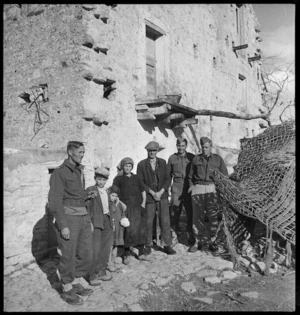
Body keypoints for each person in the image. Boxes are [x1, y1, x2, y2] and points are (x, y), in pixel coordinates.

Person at [48, 141, 94, 305]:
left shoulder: (78, 170)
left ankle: (75, 280)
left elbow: (75, 195)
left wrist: (87, 197)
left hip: (83, 217)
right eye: (80, 152)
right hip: (69, 219)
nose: (82, 155)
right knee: (68, 255)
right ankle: (67, 288)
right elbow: (55, 201)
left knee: (86, 252)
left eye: (83, 152)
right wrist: (63, 225)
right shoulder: (59, 173)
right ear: (70, 152)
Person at [188, 136, 228, 253]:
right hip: (199, 187)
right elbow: (190, 176)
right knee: (197, 216)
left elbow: (224, 175)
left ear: (211, 147)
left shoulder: (218, 159)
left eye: (206, 147)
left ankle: (212, 241)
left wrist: (220, 190)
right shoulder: (196, 159)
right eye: (203, 147)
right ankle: (197, 241)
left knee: (213, 216)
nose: (204, 149)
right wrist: (192, 187)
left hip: (212, 188)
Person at [137, 141, 176, 255]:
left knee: (165, 220)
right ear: (147, 151)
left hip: (162, 195)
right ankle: (148, 244)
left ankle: (167, 244)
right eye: (150, 151)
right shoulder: (141, 165)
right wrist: (152, 192)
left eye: (154, 150)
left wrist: (161, 191)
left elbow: (168, 179)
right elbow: (140, 181)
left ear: (157, 151)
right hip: (149, 197)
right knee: (149, 221)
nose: (152, 153)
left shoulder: (163, 163)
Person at [113, 157, 148, 263]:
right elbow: (115, 194)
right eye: (126, 166)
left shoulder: (136, 178)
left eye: (130, 166)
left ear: (132, 167)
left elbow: (143, 191)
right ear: (122, 167)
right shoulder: (118, 179)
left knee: (140, 229)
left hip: (137, 206)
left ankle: (141, 251)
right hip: (126, 207)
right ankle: (126, 254)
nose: (128, 168)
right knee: (127, 230)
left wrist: (143, 204)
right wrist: (120, 205)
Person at [86, 166, 114, 285]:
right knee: (95, 249)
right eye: (99, 179)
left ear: (106, 180)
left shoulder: (107, 191)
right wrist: (89, 222)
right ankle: (92, 275)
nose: (101, 182)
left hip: (107, 220)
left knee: (105, 248)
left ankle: (101, 271)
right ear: (95, 179)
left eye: (103, 180)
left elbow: (109, 207)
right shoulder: (90, 190)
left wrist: (112, 219)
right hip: (96, 221)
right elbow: (86, 207)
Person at [167, 137, 195, 243]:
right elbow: (168, 175)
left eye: (183, 146)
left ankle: (191, 234)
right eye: (179, 145)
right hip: (177, 186)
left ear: (186, 146)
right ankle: (174, 234)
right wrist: (169, 187)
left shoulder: (192, 157)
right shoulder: (172, 158)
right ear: (176, 146)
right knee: (175, 211)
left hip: (188, 186)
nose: (181, 148)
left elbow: (195, 173)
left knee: (190, 211)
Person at [107, 185, 127, 268]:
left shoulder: (118, 203)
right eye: (112, 195)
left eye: (116, 196)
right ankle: (108, 261)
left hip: (118, 227)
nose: (114, 198)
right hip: (112, 226)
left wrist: (119, 201)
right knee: (110, 244)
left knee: (116, 243)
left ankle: (114, 258)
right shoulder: (108, 204)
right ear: (108, 195)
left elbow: (125, 208)